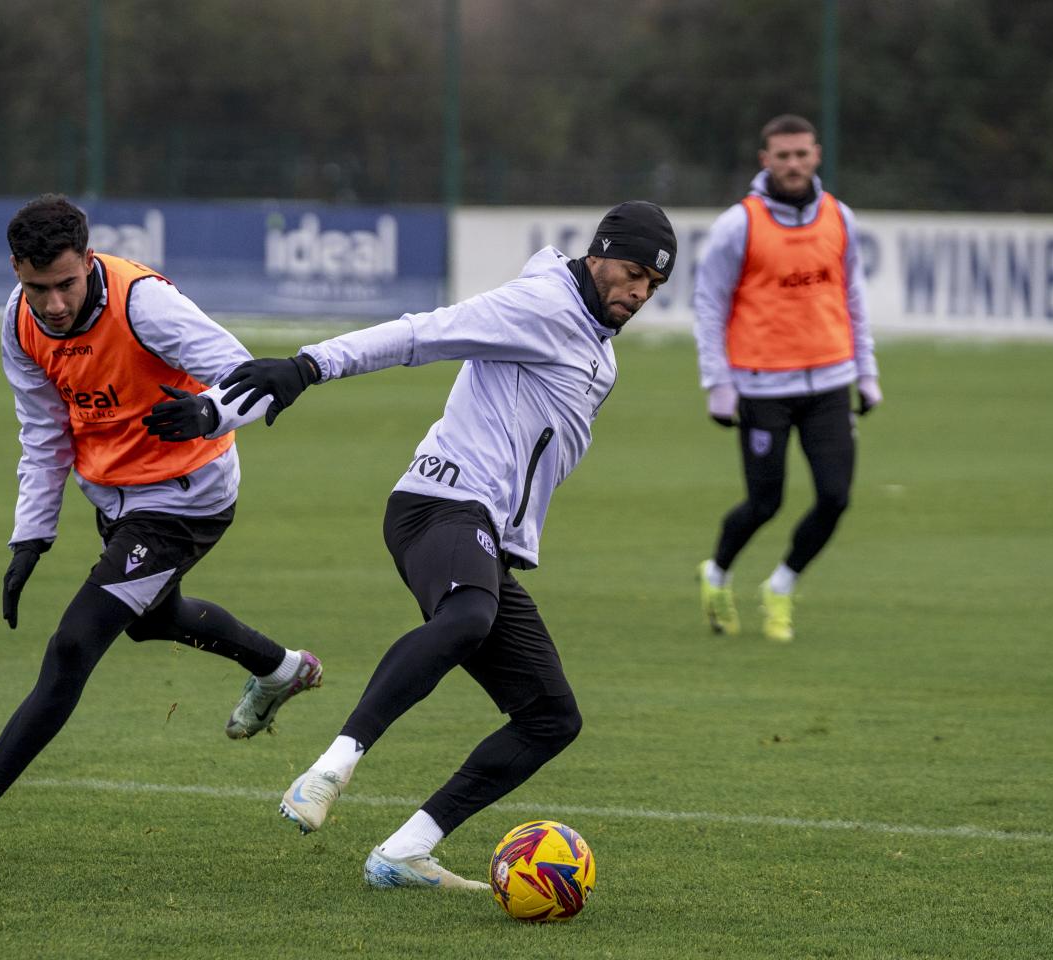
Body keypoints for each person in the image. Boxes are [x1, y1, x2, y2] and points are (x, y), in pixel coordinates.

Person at [152, 201, 676, 890]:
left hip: (483, 538)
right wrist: (305, 368)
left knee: (551, 717)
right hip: (440, 505)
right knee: (467, 617)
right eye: (632, 273)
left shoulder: (595, 347)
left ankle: (405, 851)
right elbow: (418, 335)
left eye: (653, 286)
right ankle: (329, 768)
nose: (638, 293)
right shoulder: (541, 305)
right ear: (601, 252)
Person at [0, 194, 322, 865]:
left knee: (73, 645)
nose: (54, 304)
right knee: (154, 619)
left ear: (88, 261)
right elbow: (44, 434)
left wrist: (207, 415)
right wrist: (31, 536)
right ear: (16, 271)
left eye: (65, 284)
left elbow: (250, 375)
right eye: (37, 287)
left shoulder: (143, 304)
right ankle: (282, 669)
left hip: (188, 495)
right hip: (119, 498)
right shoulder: (19, 323)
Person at [693, 114, 882, 643]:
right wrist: (719, 385)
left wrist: (866, 374)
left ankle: (781, 584)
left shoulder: (839, 218)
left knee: (835, 497)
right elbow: (708, 306)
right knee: (764, 503)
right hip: (762, 388)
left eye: (802, 154)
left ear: (817, 155)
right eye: (783, 156)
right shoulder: (740, 224)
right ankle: (718, 573)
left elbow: (853, 300)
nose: (794, 164)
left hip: (829, 383)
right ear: (765, 161)